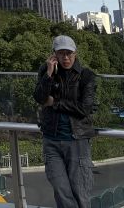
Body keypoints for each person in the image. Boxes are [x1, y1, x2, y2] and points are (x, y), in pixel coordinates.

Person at [33, 35, 96, 208]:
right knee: (61, 190)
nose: (66, 57)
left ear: (75, 54)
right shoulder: (46, 71)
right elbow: (39, 97)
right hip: (51, 140)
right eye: (61, 53)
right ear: (54, 55)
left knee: (80, 192)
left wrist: (55, 102)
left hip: (76, 139)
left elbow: (84, 108)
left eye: (69, 53)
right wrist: (48, 74)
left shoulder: (85, 76)